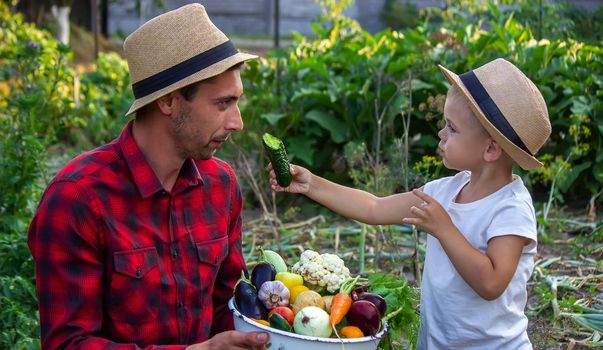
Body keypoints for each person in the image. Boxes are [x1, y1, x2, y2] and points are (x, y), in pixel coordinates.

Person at [28, 4, 269, 349]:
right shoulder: (79, 198)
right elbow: (67, 343)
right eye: (222, 104)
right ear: (169, 101)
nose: (237, 122)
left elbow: (226, 306)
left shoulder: (221, 185)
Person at [269, 58, 551, 349]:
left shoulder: (510, 208)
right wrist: (312, 184)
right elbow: (374, 208)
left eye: (451, 128)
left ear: (491, 148)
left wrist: (445, 229)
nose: (441, 134)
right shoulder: (445, 191)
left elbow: (491, 283)